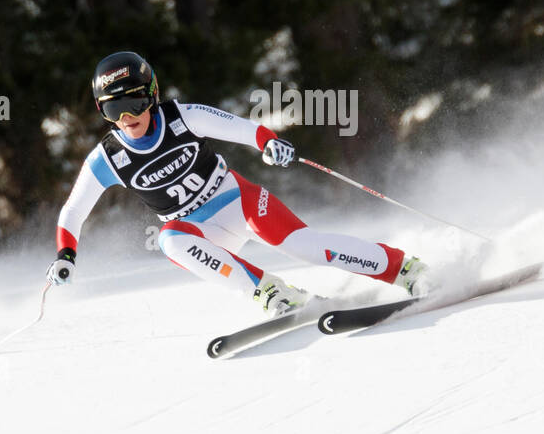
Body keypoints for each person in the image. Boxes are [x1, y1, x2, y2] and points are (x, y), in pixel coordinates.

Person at [47, 51, 429, 318]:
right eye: (115, 109)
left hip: (235, 199)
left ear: (153, 95)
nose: (128, 117)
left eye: (135, 102)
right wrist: (66, 256)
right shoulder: (108, 158)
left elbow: (242, 129)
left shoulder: (182, 117)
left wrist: (268, 143)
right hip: (198, 231)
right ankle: (272, 293)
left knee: (306, 247)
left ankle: (404, 268)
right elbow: (73, 211)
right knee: (169, 240)